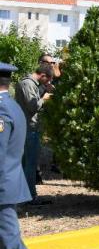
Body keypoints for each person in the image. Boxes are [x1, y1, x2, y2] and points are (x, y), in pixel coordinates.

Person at [0, 62, 56, 249]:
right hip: (7, 183)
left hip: (2, 187)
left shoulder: (2, 110)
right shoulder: (11, 105)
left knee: (9, 242)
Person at [15, 62, 54, 201]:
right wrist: (45, 98)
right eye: (48, 80)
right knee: (30, 164)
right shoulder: (27, 83)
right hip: (28, 128)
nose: (48, 82)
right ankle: (30, 197)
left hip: (30, 128)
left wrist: (44, 90)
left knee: (28, 163)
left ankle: (24, 196)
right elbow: (33, 106)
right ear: (43, 75)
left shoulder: (32, 84)